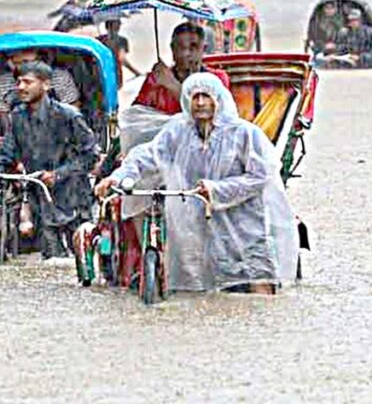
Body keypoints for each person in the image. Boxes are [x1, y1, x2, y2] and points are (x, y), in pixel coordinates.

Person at [95, 73, 298, 294]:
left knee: (259, 287)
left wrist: (216, 189)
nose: (201, 103)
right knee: (200, 293)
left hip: (244, 228)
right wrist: (116, 177)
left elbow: (260, 177)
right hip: (198, 230)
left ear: (218, 99)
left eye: (206, 96)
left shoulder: (244, 134)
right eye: (195, 97)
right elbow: (148, 155)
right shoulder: (177, 131)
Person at [0, 61, 99, 259]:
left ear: (46, 85)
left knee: (82, 257)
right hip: (40, 198)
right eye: (18, 82)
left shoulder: (69, 116)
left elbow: (90, 155)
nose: (21, 87)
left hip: (73, 198)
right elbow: (8, 153)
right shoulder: (17, 117)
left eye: (27, 82)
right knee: (51, 257)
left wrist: (59, 174)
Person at [134, 22, 230, 115]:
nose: (186, 53)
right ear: (172, 49)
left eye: (193, 47)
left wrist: (173, 85)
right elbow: (136, 116)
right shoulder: (157, 78)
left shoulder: (217, 78)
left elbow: (216, 116)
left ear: (203, 49)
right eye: (181, 47)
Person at [0, 49, 80, 120]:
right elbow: (5, 117)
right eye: (18, 63)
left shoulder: (60, 77)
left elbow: (73, 110)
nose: (25, 68)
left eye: (29, 63)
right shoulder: (0, 83)